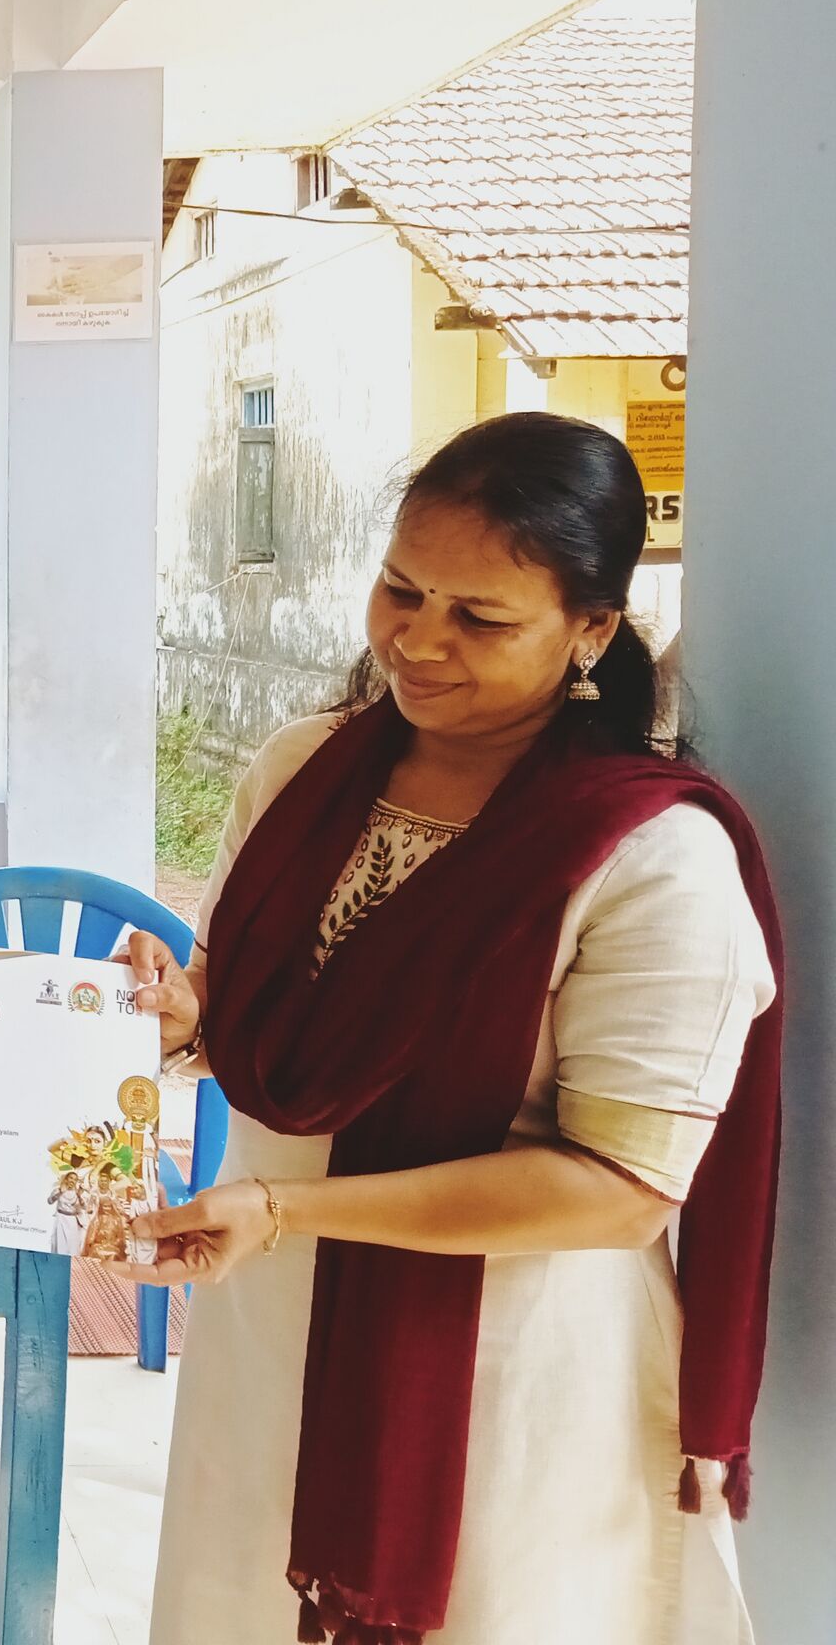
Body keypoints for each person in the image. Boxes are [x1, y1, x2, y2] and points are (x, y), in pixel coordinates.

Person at [121, 413, 784, 1645]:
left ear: (591, 631)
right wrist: (181, 1011)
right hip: (270, 1330)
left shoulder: (649, 856)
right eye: (400, 590)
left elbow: (619, 1190)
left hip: (505, 1370)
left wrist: (287, 1211)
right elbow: (256, 1006)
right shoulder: (304, 769)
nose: (417, 642)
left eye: (480, 618)